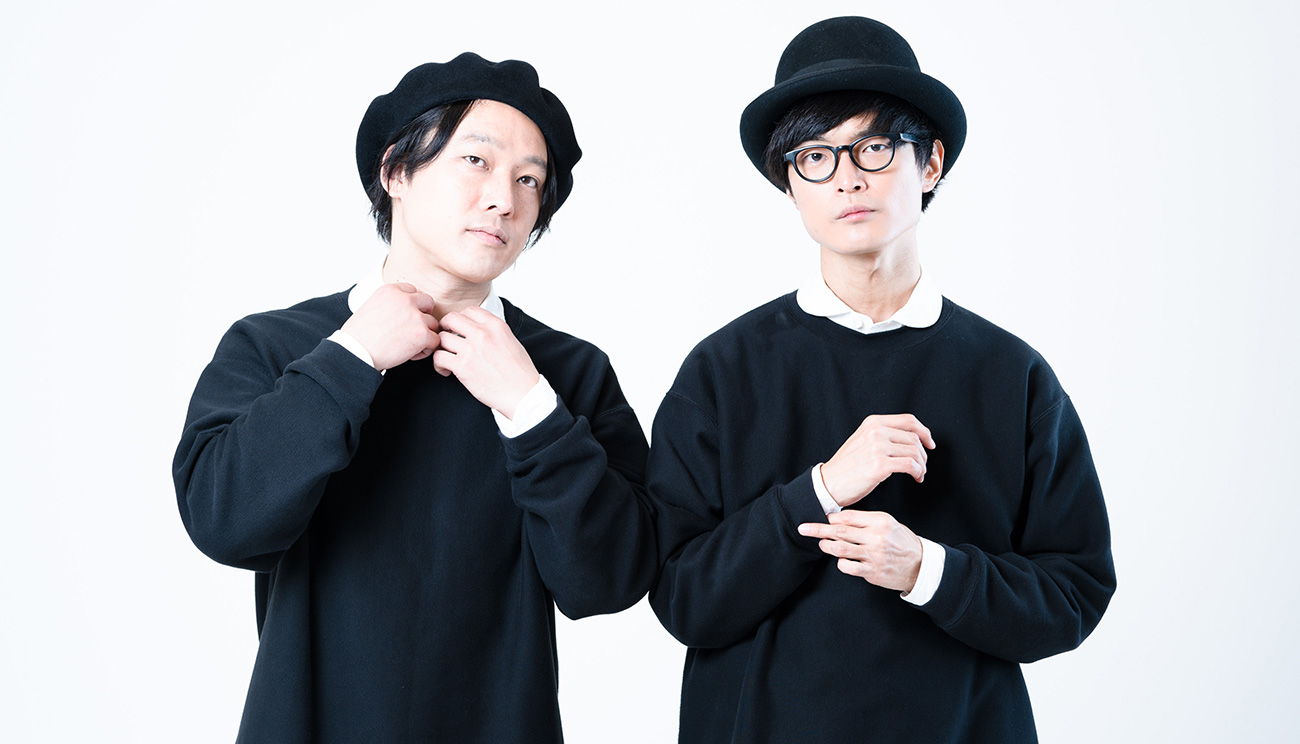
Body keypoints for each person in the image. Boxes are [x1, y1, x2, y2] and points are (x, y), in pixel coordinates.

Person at [645, 16, 1116, 743]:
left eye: (873, 147)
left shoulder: (1010, 374)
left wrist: (927, 569)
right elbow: (683, 599)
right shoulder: (722, 370)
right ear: (789, 184)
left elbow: (1075, 593)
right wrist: (820, 490)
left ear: (929, 164)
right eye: (815, 156)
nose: (848, 177)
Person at [173, 53, 656, 743]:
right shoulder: (277, 345)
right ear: (396, 171)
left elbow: (607, 582)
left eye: (529, 179)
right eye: (476, 161)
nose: (504, 199)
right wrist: (350, 359)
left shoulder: (567, 371)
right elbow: (224, 523)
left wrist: (530, 410)